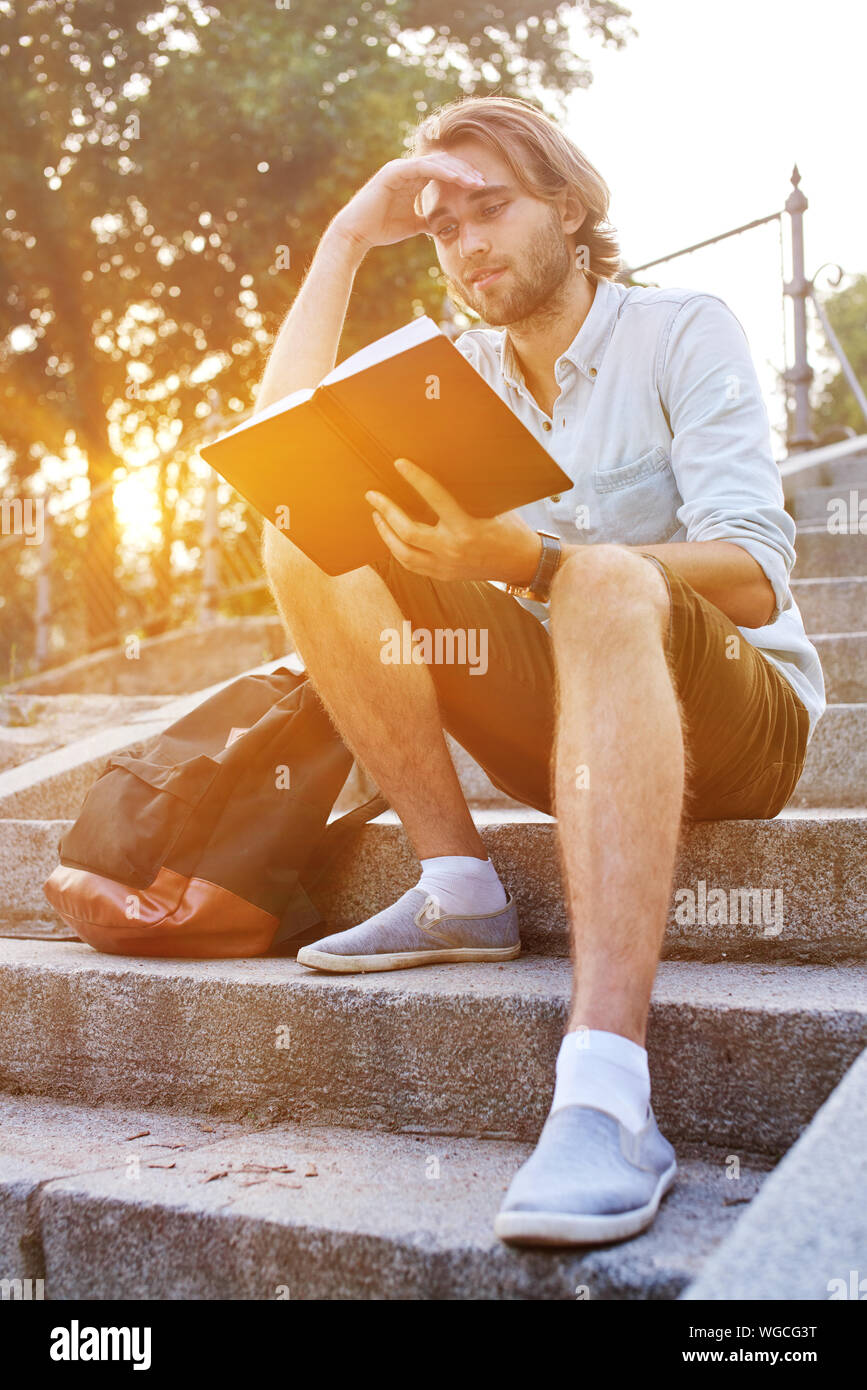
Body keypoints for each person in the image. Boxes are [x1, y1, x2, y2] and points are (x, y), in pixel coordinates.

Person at [259, 96, 825, 1247]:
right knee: (297, 529)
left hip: (739, 723)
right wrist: (346, 241)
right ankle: (461, 889)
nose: (466, 244)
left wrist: (534, 557)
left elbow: (759, 574)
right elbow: (278, 444)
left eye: (492, 209)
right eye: (442, 228)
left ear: (569, 208)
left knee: (604, 578)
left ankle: (608, 1094)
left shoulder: (681, 328)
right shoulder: (446, 370)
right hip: (576, 730)